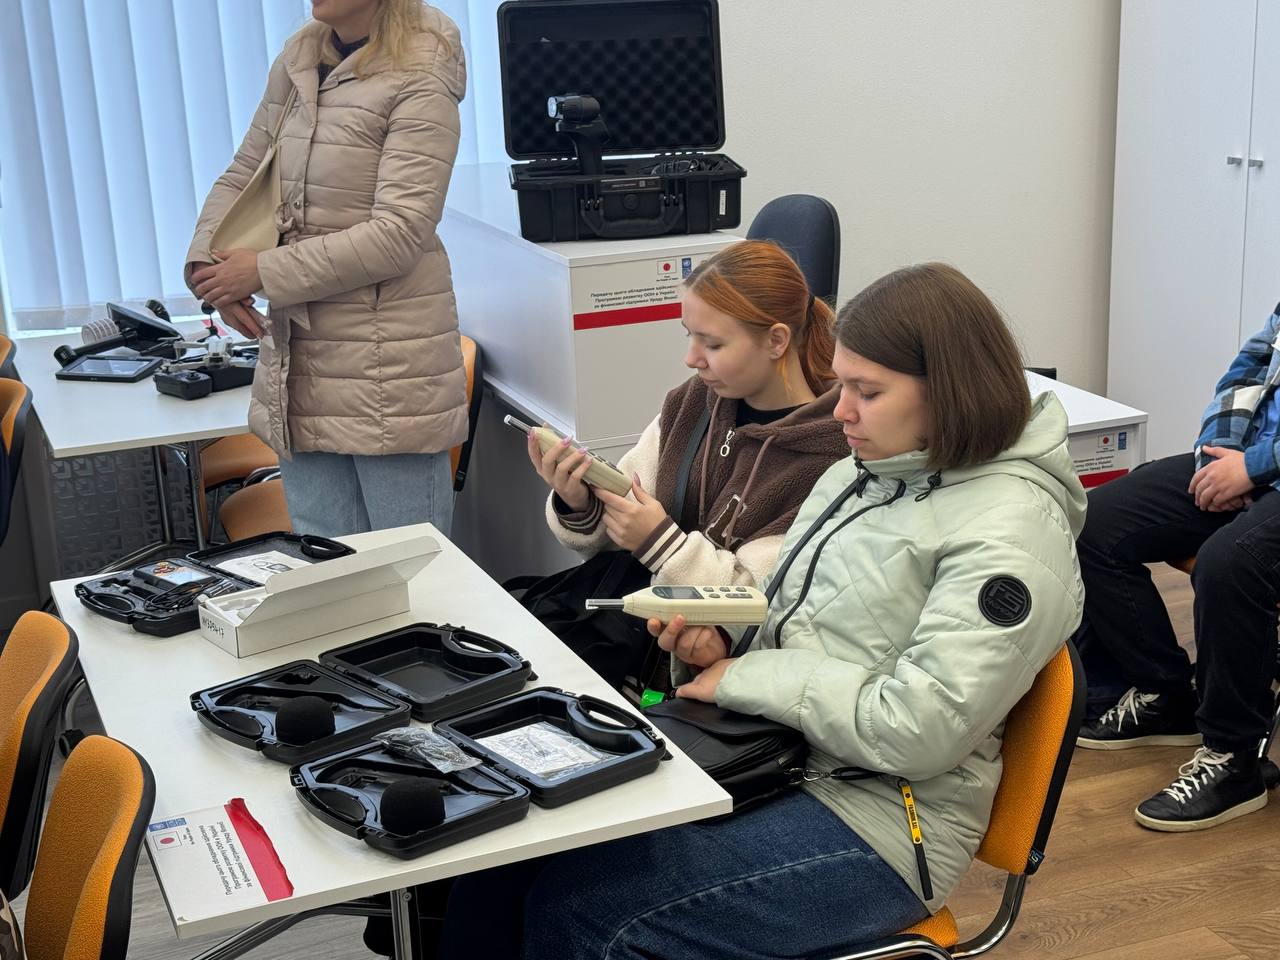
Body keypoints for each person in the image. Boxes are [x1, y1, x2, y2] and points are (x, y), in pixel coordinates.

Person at [438, 263, 1086, 959]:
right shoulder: (865, 473)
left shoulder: (1011, 535)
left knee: (589, 918)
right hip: (777, 754)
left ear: (951, 394)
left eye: (867, 392)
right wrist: (726, 647)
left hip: (886, 823)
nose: (841, 412)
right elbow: (794, 617)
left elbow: (920, 728)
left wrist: (745, 678)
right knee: (510, 853)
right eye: (843, 385)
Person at [185, 0, 469, 538]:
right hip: (299, 363)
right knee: (327, 570)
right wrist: (208, 264)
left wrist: (263, 271)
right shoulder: (301, 55)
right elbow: (245, 172)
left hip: (387, 369)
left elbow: (400, 233)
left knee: (411, 573)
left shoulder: (422, 66)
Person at [520, 239, 850, 694]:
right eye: (688, 335)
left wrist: (660, 543)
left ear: (776, 340)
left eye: (712, 343)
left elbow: (759, 601)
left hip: (713, 691)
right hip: (635, 663)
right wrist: (580, 502)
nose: (692, 358)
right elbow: (613, 535)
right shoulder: (692, 403)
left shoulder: (829, 459)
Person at [1074, 302, 1280, 831]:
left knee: (1230, 564)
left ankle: (1234, 759)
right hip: (1247, 461)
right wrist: (1219, 456)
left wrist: (1256, 467)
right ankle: (1166, 694)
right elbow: (1247, 372)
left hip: (1264, 467)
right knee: (1093, 522)